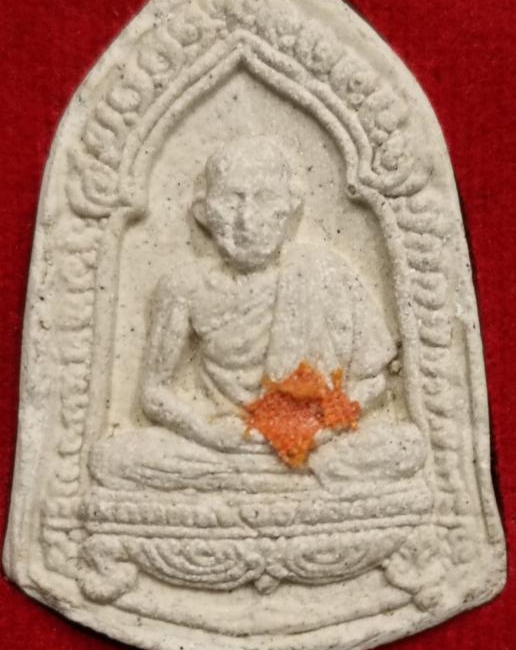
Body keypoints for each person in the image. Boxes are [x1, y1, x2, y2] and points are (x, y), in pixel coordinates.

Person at [90, 136, 425, 492]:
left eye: (264, 199)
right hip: (222, 445)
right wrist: (208, 432)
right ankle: (286, 484)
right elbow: (154, 392)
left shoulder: (325, 271)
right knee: (111, 458)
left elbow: (373, 381)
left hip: (316, 441)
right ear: (204, 212)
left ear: (289, 207)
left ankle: (264, 480)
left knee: (406, 446)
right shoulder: (183, 287)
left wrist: (322, 428)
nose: (247, 220)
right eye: (231, 202)